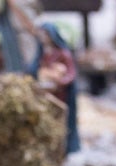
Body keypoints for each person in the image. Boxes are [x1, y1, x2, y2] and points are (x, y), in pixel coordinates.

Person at [30, 22, 80, 154]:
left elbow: (71, 73)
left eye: (45, 34)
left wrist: (59, 82)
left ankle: (65, 147)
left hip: (60, 94)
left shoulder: (63, 53)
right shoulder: (42, 53)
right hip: (47, 93)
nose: (43, 37)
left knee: (62, 119)